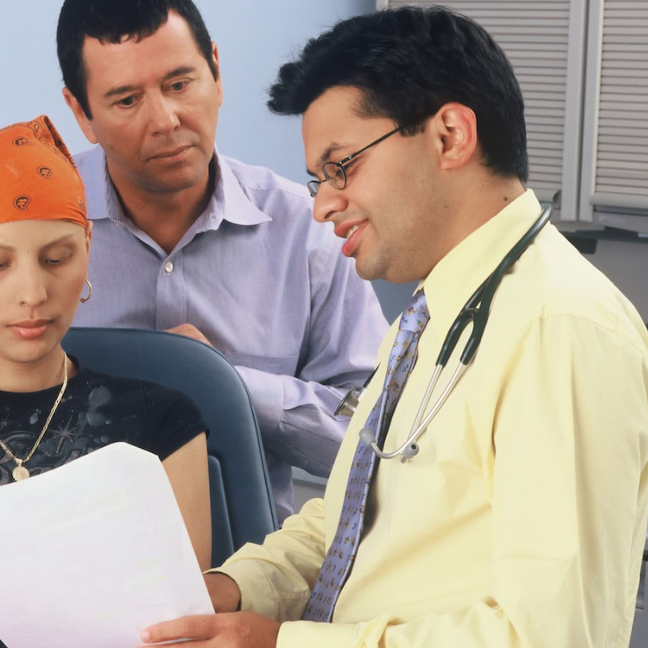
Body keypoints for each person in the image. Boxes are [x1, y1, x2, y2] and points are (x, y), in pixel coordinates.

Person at [137, 6, 648, 648]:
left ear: (450, 136)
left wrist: (282, 643)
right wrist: (235, 588)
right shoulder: (434, 311)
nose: (322, 203)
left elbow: (550, 635)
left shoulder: (559, 329)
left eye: (342, 166)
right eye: (317, 178)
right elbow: (356, 513)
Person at [55, 0, 388, 523]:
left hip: (251, 577)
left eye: (180, 84)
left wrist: (221, 381)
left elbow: (376, 443)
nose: (165, 120)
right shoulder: (26, 227)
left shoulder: (309, 231)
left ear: (216, 68)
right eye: (125, 100)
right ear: (81, 113)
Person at [0, 115, 211, 573]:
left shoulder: (161, 419)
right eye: (0, 265)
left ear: (88, 246)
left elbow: (178, 623)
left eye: (57, 258)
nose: (33, 294)